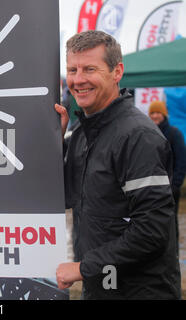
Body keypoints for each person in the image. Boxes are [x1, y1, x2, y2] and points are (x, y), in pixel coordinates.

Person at [54, 31, 181, 299]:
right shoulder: (81, 134)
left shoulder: (137, 136)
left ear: (117, 71)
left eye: (90, 69)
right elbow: (65, 197)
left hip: (139, 292)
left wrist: (83, 267)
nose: (78, 79)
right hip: (102, 288)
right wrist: (56, 144)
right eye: (72, 70)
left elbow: (152, 231)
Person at [148, 100, 186, 252]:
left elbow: (182, 160)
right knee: (151, 222)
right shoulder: (146, 132)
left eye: (158, 113)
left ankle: (173, 252)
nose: (155, 116)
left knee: (170, 222)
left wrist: (175, 185)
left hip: (170, 188)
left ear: (164, 114)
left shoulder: (174, 133)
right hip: (150, 189)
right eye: (152, 113)